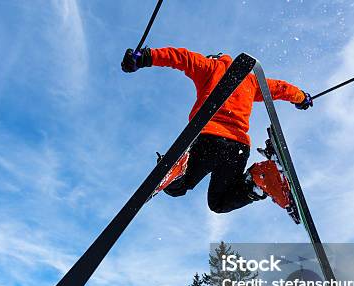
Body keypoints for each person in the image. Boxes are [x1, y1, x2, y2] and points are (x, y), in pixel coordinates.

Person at [121, 47, 313, 214]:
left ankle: (177, 170)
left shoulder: (209, 66)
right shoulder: (251, 81)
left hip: (208, 139)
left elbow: (180, 57)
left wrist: (145, 57)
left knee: (177, 188)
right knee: (219, 203)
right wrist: (301, 97)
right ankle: (259, 180)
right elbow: (279, 88)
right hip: (237, 147)